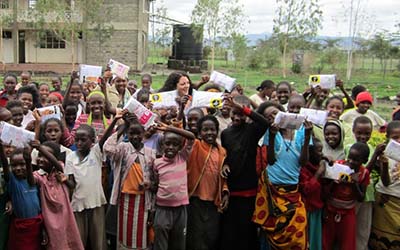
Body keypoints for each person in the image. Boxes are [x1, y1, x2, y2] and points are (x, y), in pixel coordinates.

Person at [253, 98, 313, 249]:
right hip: (272, 189)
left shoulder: (301, 132)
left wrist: (307, 137)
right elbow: (271, 160)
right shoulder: (271, 133)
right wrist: (272, 135)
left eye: (275, 113)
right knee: (271, 228)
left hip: (292, 190)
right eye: (269, 117)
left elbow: (303, 162)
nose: (273, 118)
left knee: (297, 229)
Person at [220, 95, 269, 250]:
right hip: (232, 187)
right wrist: (225, 164)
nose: (236, 117)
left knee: (247, 228)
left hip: (249, 188)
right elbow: (225, 154)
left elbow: (265, 122)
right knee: (230, 229)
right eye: (234, 113)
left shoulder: (252, 130)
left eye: (240, 114)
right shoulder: (226, 133)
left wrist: (244, 109)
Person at [103, 110, 157, 250]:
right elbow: (107, 148)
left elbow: (155, 180)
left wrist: (149, 185)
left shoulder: (151, 153)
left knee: (141, 238)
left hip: (144, 201)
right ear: (127, 134)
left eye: (138, 133)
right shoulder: (123, 148)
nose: (135, 136)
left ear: (143, 134)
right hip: (125, 199)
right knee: (124, 237)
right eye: (131, 133)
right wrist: (123, 126)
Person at [30, 140, 84, 250]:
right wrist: (28, 160)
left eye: (45, 156)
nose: (41, 159)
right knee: (56, 243)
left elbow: (57, 165)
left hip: (65, 216)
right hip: (49, 219)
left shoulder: (60, 171)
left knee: (70, 240)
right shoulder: (38, 176)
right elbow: (31, 180)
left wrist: (40, 148)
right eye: (39, 156)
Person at [186, 115, 229, 250]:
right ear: (199, 133)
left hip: (214, 201)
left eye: (212, 129)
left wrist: (225, 192)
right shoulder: (196, 146)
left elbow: (223, 176)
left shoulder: (222, 151)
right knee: (195, 235)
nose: (209, 133)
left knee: (211, 235)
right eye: (205, 130)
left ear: (217, 131)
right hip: (196, 199)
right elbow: (185, 136)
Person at [151, 122, 195, 250]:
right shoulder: (157, 163)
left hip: (180, 209)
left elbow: (191, 137)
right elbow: (156, 183)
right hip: (162, 209)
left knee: (179, 242)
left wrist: (169, 128)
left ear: (180, 146)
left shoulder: (182, 157)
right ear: (162, 145)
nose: (171, 147)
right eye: (167, 144)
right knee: (160, 242)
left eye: (175, 145)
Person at [65, 124, 108, 250]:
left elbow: (104, 138)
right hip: (78, 203)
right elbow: (72, 183)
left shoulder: (96, 153)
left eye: (83, 140)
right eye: (77, 140)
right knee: (79, 240)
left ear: (92, 141)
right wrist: (64, 180)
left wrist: (116, 118)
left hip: (96, 201)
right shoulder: (71, 157)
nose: (79, 143)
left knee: (98, 239)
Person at [322, 142, 370, 250]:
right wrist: (333, 181)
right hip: (331, 209)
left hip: (348, 212)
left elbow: (361, 198)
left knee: (347, 242)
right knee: (326, 240)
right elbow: (325, 189)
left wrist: (354, 184)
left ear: (364, 161)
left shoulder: (363, 173)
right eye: (350, 158)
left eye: (356, 160)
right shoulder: (339, 166)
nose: (351, 162)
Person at [2, 146, 44, 250]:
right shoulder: (12, 180)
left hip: (36, 225)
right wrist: (1, 151)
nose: (18, 168)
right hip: (20, 226)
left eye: (22, 164)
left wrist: (28, 161)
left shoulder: (34, 180)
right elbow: (4, 164)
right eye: (14, 165)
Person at [369, 121, 400, 249]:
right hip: (386, 199)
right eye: (395, 138)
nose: (399, 141)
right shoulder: (385, 155)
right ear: (387, 138)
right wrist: (385, 164)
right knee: (382, 240)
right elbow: (386, 182)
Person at [299, 138, 326, 250]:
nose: (322, 154)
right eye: (319, 151)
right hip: (307, 210)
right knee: (307, 239)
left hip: (317, 210)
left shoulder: (319, 165)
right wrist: (318, 174)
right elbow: (307, 189)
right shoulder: (304, 169)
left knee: (315, 239)